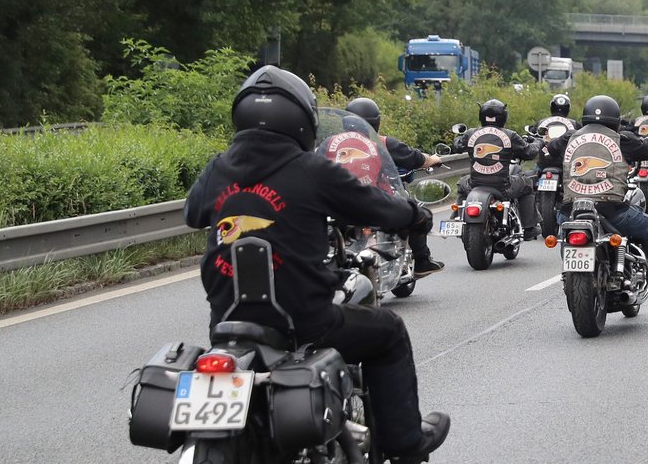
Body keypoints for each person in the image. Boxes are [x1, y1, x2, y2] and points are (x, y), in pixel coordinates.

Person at [183, 66, 449, 463]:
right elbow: (378, 206)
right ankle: (405, 444)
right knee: (389, 332)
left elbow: (193, 213)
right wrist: (414, 214)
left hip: (227, 326)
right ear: (301, 121)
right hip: (302, 322)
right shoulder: (313, 170)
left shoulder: (216, 169)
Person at [539, 95, 648, 285]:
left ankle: (569, 273)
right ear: (615, 119)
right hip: (611, 210)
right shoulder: (622, 139)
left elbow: (546, 152)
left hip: (571, 210)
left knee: (567, 230)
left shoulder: (568, 137)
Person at [346, 97, 445, 278]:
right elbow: (415, 158)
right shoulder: (383, 143)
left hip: (339, 204)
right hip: (377, 203)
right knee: (415, 213)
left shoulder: (330, 144)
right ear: (376, 122)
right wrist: (433, 160)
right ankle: (422, 261)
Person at [453, 99, 542, 240]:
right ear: (503, 116)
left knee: (461, 184)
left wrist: (458, 137)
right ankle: (529, 227)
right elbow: (529, 153)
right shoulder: (510, 135)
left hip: (474, 185)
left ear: (481, 115)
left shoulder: (470, 133)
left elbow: (457, 146)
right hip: (503, 188)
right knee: (527, 184)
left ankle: (457, 220)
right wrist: (538, 142)